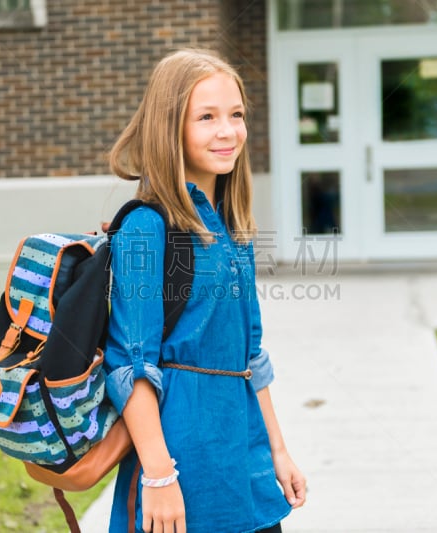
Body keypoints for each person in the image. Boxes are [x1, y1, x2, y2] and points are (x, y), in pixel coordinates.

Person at [104, 48, 306, 533]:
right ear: (169, 126)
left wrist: (278, 451)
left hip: (247, 462)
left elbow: (249, 357)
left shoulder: (232, 229)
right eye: (207, 117)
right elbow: (130, 364)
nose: (228, 131)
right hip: (183, 466)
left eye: (236, 115)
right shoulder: (146, 229)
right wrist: (158, 477)